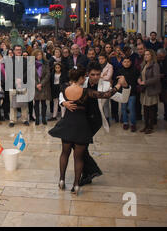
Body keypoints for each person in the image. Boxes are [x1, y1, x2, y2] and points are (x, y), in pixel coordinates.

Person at [50, 67, 127, 195]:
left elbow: (61, 92)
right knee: (79, 158)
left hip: (67, 124)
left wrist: (64, 103)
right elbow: (106, 94)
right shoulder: (86, 92)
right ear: (81, 78)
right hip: (81, 126)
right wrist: (119, 85)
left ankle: (62, 180)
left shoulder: (64, 88)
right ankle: (75, 185)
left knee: (64, 153)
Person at [138, 49, 161, 134]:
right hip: (144, 90)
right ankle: (146, 125)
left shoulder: (155, 65)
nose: (146, 56)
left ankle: (150, 127)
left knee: (151, 109)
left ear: (152, 56)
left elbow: (156, 78)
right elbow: (141, 75)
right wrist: (139, 80)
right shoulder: (144, 64)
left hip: (151, 90)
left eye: (148, 54)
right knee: (145, 109)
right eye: (145, 55)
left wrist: (145, 82)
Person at [9, 45, 29, 128]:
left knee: (24, 104)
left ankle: (24, 119)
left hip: (23, 84)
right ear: (13, 51)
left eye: (20, 50)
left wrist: (20, 79)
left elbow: (27, 72)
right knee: (13, 104)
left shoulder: (25, 60)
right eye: (17, 50)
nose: (19, 51)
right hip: (13, 85)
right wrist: (16, 79)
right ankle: (12, 120)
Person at [118, 57, 140, 132]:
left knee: (131, 108)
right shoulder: (120, 71)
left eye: (128, 62)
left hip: (132, 93)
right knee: (123, 108)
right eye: (125, 62)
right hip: (123, 93)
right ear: (122, 63)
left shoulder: (135, 70)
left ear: (130, 62)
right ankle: (125, 122)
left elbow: (138, 81)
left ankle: (133, 124)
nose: (126, 63)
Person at [32, 50, 50, 126]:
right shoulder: (32, 64)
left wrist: (41, 84)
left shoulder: (46, 63)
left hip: (44, 86)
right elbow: (30, 76)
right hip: (35, 86)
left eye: (40, 54)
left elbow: (48, 75)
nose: (39, 56)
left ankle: (43, 118)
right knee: (36, 104)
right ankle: (37, 119)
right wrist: (36, 85)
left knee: (43, 103)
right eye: (37, 55)